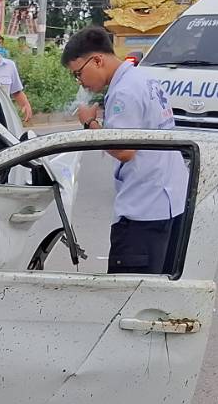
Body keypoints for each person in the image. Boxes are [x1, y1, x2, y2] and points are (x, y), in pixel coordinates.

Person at [62, 26, 189, 275]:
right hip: (170, 201)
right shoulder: (144, 79)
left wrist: (90, 123)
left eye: (78, 73)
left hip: (144, 210)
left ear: (97, 60)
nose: (80, 82)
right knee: (160, 285)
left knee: (130, 290)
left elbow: (124, 150)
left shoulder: (123, 92)